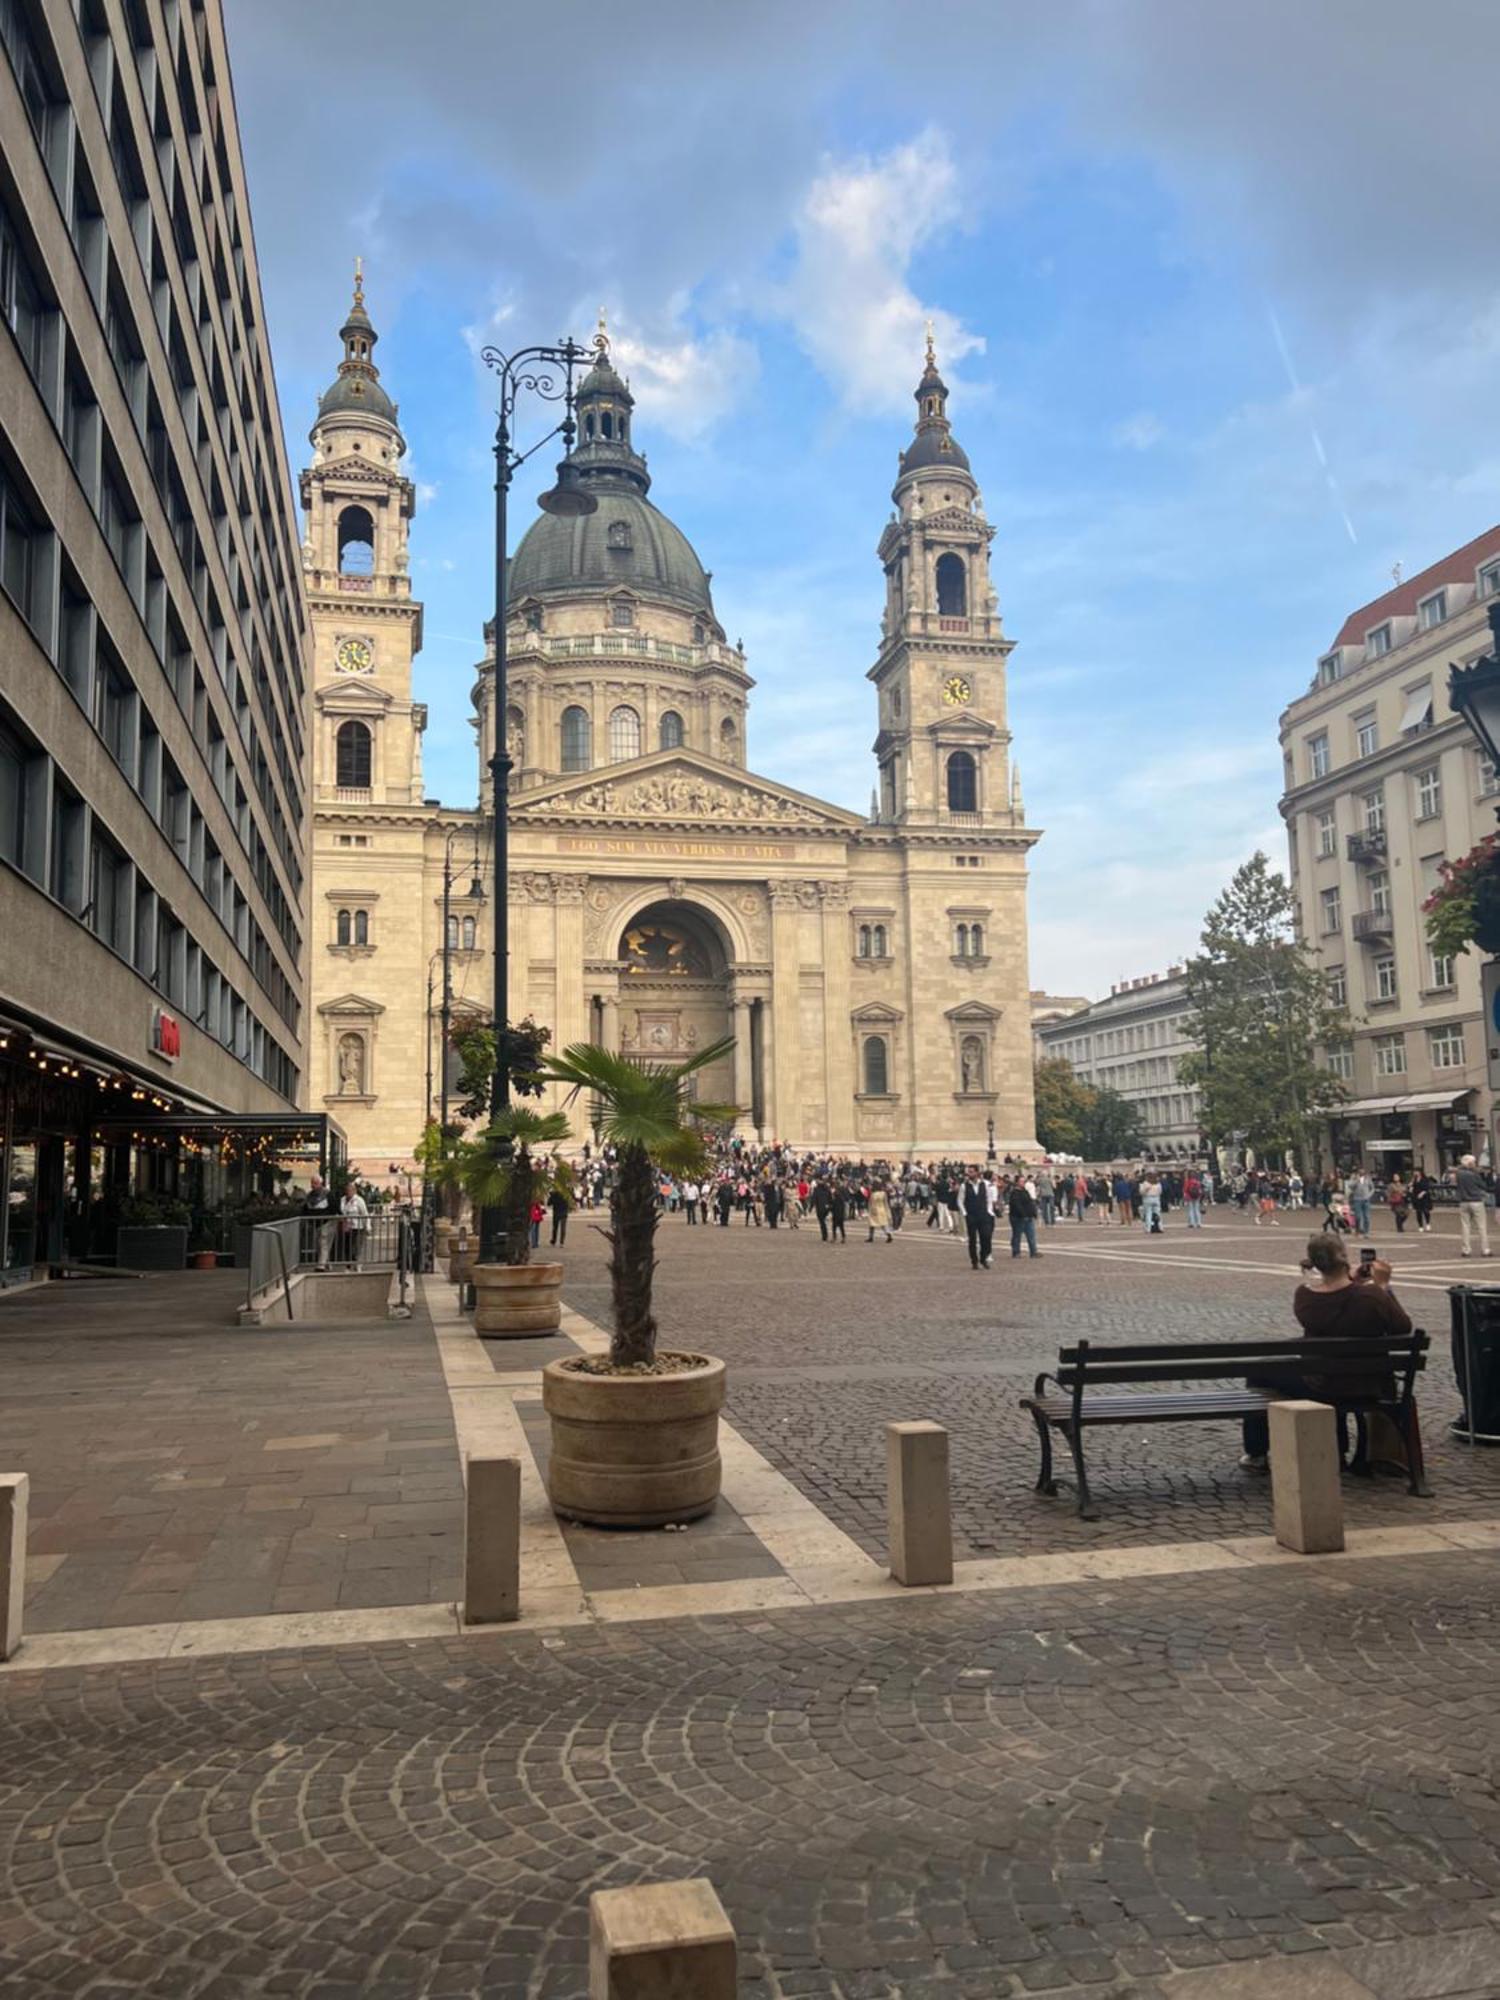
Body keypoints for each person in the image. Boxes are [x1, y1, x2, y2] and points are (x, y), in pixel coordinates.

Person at [1239, 1233, 1411, 1468]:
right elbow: (1402, 1327)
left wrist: (1355, 1282)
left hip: (1322, 1385)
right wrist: (1381, 1286)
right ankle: (1336, 1449)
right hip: (1371, 1384)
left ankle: (1256, 1451)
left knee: (1260, 1370)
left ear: (1315, 1262)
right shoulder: (1372, 1296)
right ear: (1344, 1257)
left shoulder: (1305, 1297)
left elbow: (1336, 1300)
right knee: (1331, 1371)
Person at [1455, 1154, 1492, 1259]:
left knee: (1465, 1226)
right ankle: (1485, 1249)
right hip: (1476, 1201)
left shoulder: (1459, 1174)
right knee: (1481, 1226)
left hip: (1463, 1202)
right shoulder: (1474, 1174)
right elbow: (1483, 1185)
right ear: (1470, 1163)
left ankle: (1466, 1249)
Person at [962, 1167, 993, 1270]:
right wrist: (965, 1213)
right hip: (971, 1215)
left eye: (971, 1172)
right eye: (969, 1172)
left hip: (983, 1214)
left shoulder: (985, 1185)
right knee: (973, 1240)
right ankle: (974, 1261)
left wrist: (988, 1210)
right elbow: (960, 1200)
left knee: (986, 1237)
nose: (969, 1174)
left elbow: (989, 1198)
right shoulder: (964, 1186)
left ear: (977, 1173)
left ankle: (983, 1257)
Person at [303, 1176, 337, 1270]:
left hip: (327, 1222)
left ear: (320, 1183)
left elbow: (334, 1208)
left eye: (315, 1183)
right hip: (316, 1223)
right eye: (312, 1183)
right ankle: (327, 1263)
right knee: (320, 1244)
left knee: (323, 1242)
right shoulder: (309, 1195)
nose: (312, 1185)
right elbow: (305, 1209)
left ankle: (321, 1265)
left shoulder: (328, 1194)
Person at [1008, 1177, 1040, 1259]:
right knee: (1017, 1235)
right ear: (1017, 1182)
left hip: (1028, 1216)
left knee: (1031, 1235)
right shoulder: (1014, 1193)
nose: (1023, 1183)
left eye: (1024, 1181)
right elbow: (1016, 1205)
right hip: (1018, 1217)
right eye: (1021, 1181)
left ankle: (1033, 1252)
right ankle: (1016, 1252)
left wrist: (1033, 1213)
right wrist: (1023, 1214)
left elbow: (1030, 1203)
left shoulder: (1025, 1191)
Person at [339, 1182, 369, 1268]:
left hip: (357, 1226)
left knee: (356, 1246)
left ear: (354, 1191)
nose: (348, 1192)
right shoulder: (342, 1200)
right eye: (347, 1190)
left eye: (350, 1190)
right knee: (347, 1246)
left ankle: (357, 1263)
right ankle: (348, 1264)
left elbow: (364, 1213)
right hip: (346, 1226)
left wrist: (367, 1226)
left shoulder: (359, 1200)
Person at [1349, 1169, 1374, 1239]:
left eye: (1363, 1173)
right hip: (1357, 1200)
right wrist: (1357, 1180)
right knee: (1358, 1217)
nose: (1362, 1175)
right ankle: (1357, 1230)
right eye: (1360, 1173)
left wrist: (1369, 1195)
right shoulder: (1354, 1179)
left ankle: (1366, 1232)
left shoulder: (1368, 1179)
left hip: (1366, 1200)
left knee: (1367, 1217)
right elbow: (1350, 1186)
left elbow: (1372, 1188)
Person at [1410, 1169, 1435, 1235]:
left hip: (1424, 1197)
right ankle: (1420, 1226)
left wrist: (1422, 1193)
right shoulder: (1414, 1179)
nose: (1415, 1173)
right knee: (1418, 1212)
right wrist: (1410, 1187)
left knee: (1426, 1211)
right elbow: (1412, 1187)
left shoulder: (1425, 1179)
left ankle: (1428, 1223)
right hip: (1416, 1197)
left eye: (1417, 1171)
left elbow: (1427, 1188)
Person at [548, 1179, 571, 1247]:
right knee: (563, 1228)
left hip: (556, 1213)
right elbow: (569, 1202)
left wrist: (551, 1196)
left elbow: (549, 1203)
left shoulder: (554, 1194)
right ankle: (561, 1242)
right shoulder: (566, 1194)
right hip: (564, 1212)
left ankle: (554, 1240)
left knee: (555, 1227)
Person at [829, 1178, 849, 1245]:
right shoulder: (839, 1196)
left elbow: (833, 1204)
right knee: (839, 1226)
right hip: (838, 1212)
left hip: (837, 1212)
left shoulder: (837, 1195)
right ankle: (841, 1237)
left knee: (836, 1226)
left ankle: (837, 1237)